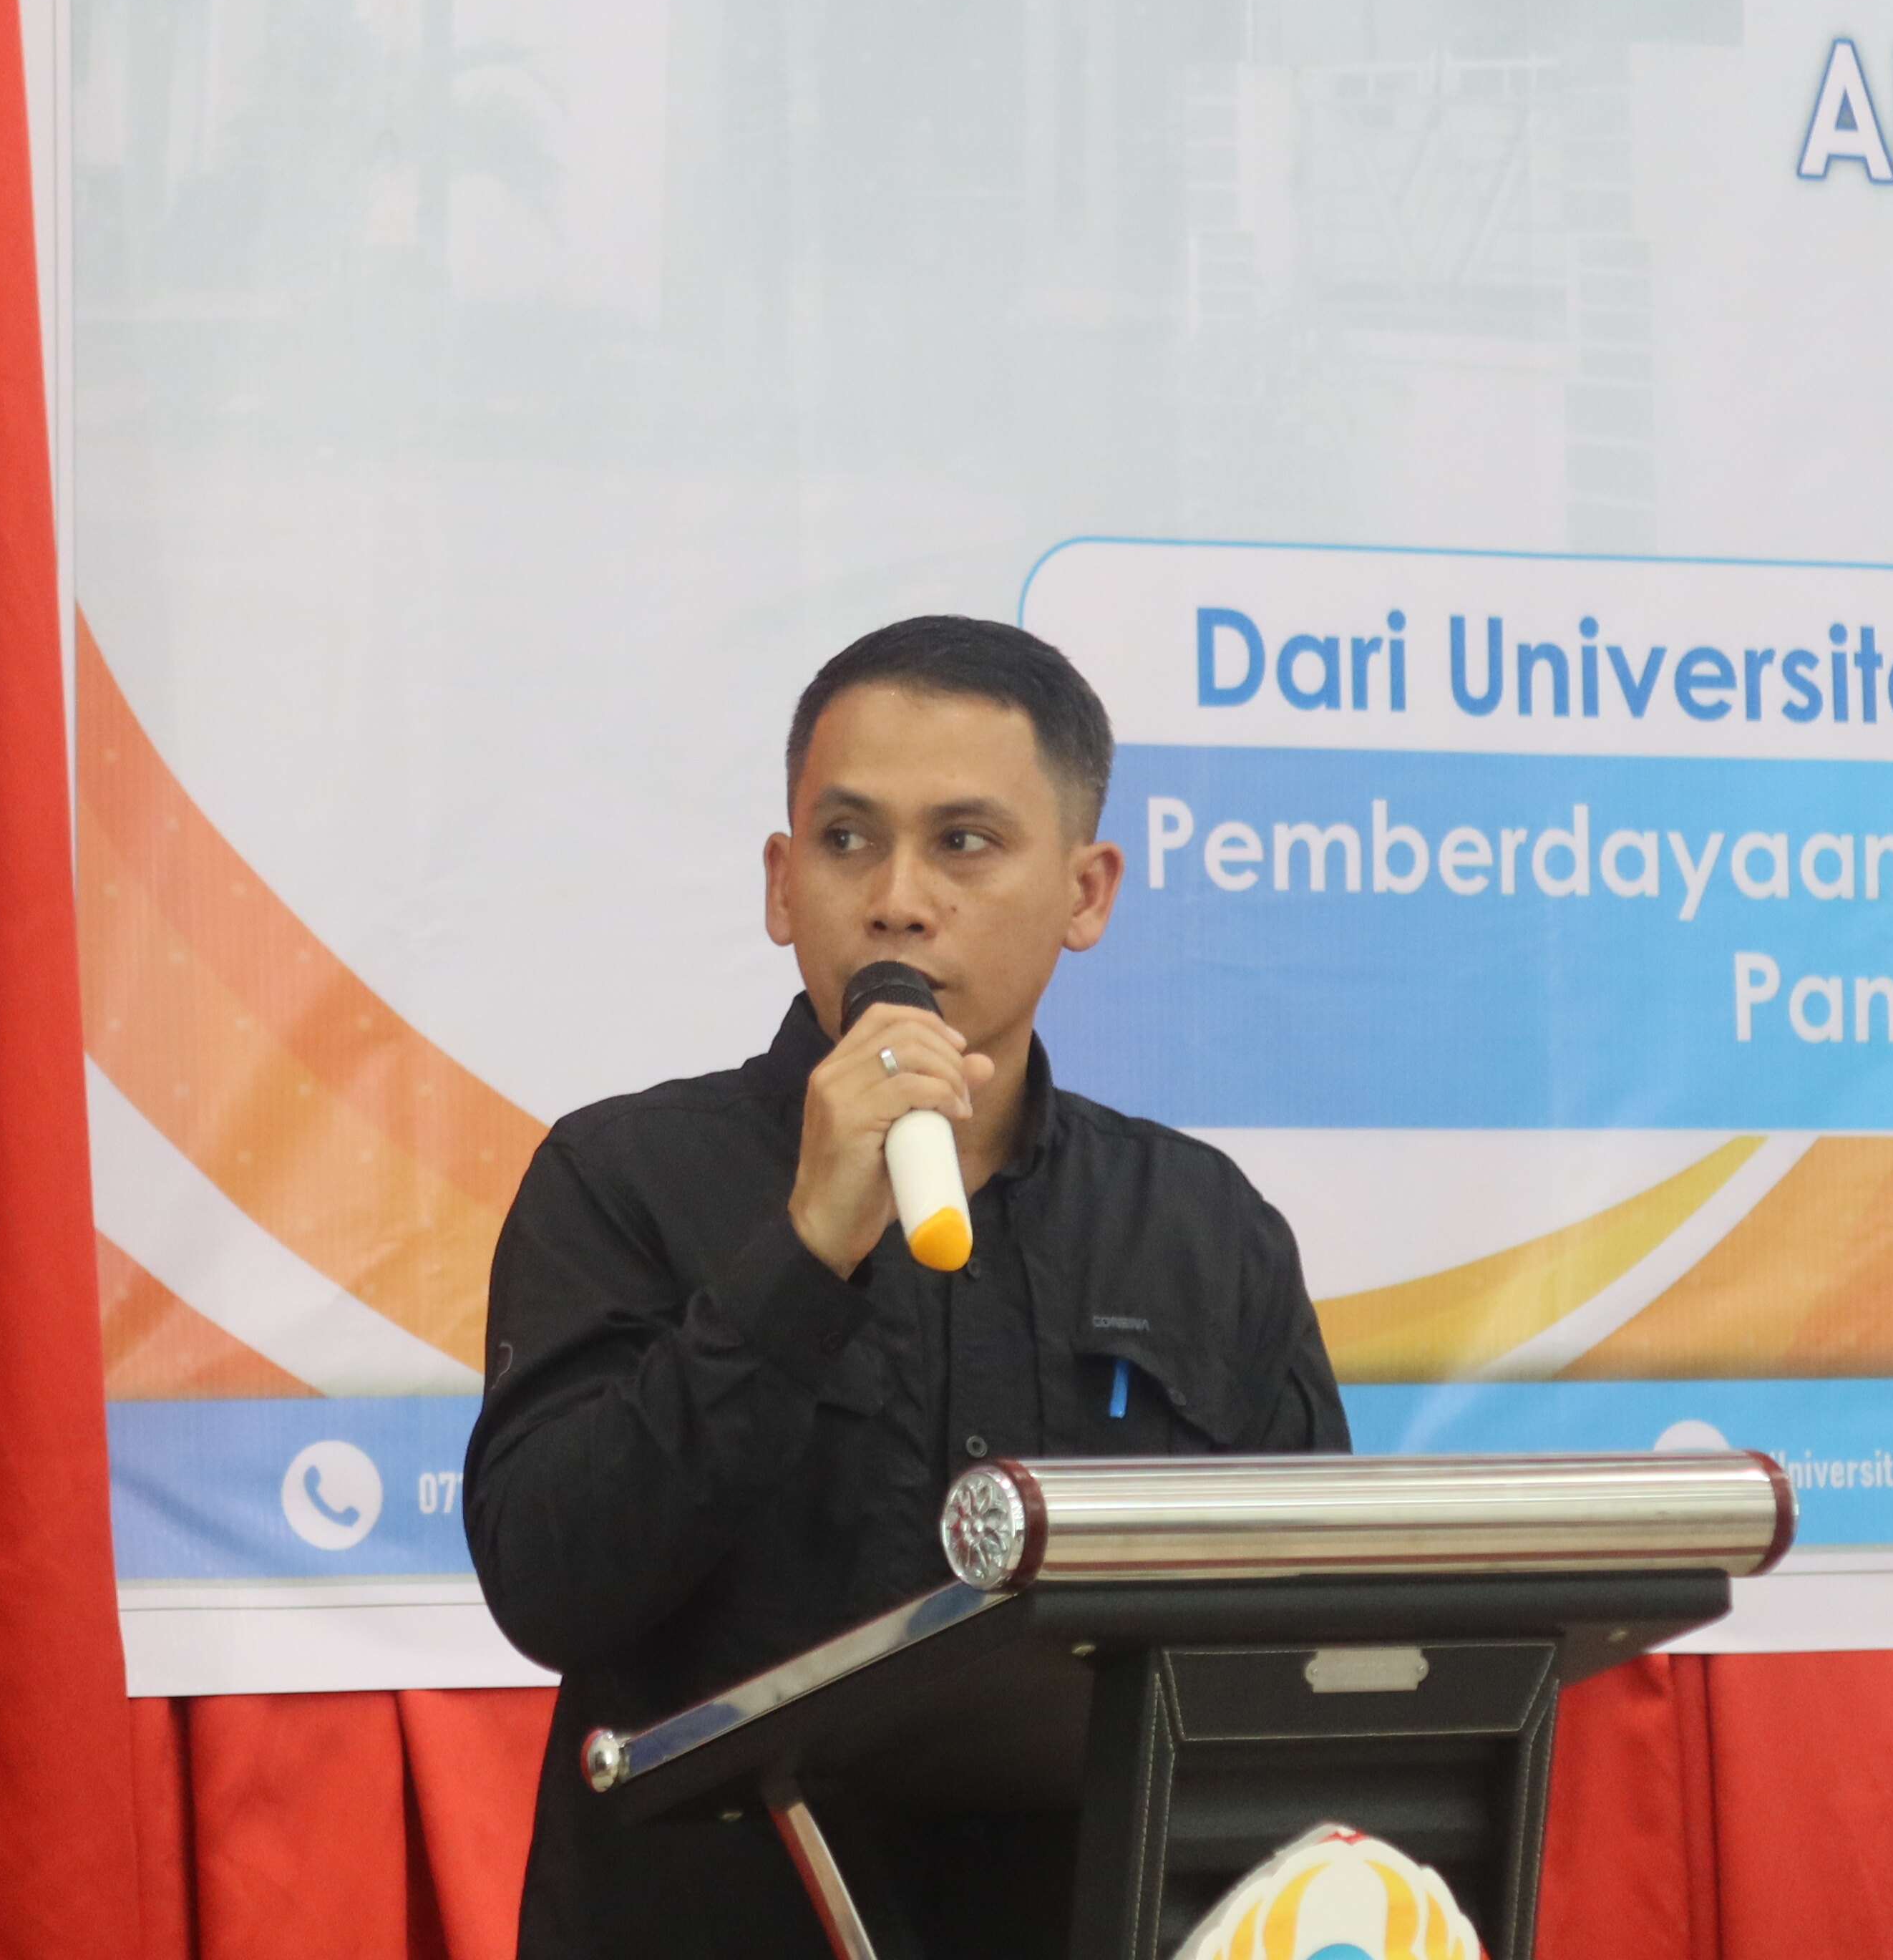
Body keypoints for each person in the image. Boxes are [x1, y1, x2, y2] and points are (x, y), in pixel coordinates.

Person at [464, 615, 1349, 1958]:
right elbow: (550, 1586)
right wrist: (803, 1255)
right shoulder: (622, 1178)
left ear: (1087, 892)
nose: (896, 899)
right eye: (846, 839)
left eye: (965, 843)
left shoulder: (1200, 1226)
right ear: (781, 886)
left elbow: (1306, 1638)